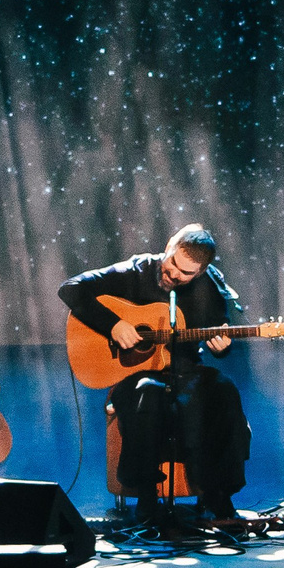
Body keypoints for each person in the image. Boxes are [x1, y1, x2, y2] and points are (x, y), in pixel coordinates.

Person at [59, 222, 251, 529]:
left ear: (200, 272)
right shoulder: (134, 271)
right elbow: (70, 289)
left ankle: (219, 496)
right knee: (148, 392)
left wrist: (221, 346)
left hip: (185, 372)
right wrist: (113, 325)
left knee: (224, 391)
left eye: (186, 273)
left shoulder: (209, 287)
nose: (174, 274)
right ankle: (147, 499)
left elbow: (220, 334)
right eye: (173, 262)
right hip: (136, 376)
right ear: (169, 246)